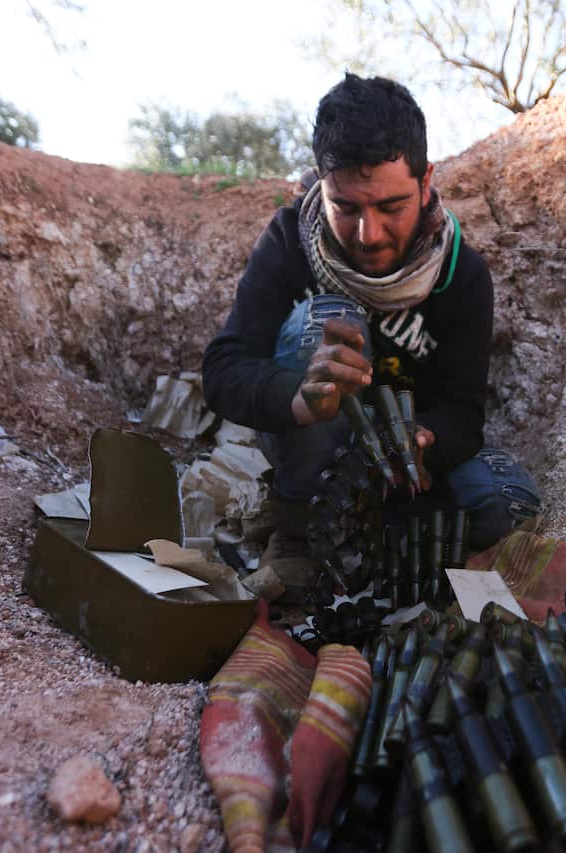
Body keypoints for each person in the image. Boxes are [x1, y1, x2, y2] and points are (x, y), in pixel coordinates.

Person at [202, 72, 541, 597]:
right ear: (322, 183)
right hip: (307, 442)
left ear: (426, 181)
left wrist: (425, 439)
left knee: (506, 502)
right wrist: (299, 398)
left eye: (390, 207)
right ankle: (295, 533)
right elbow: (224, 370)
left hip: (400, 465)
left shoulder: (461, 275)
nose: (369, 234)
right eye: (346, 208)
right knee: (331, 319)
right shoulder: (289, 240)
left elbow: (464, 413)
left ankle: (375, 537)